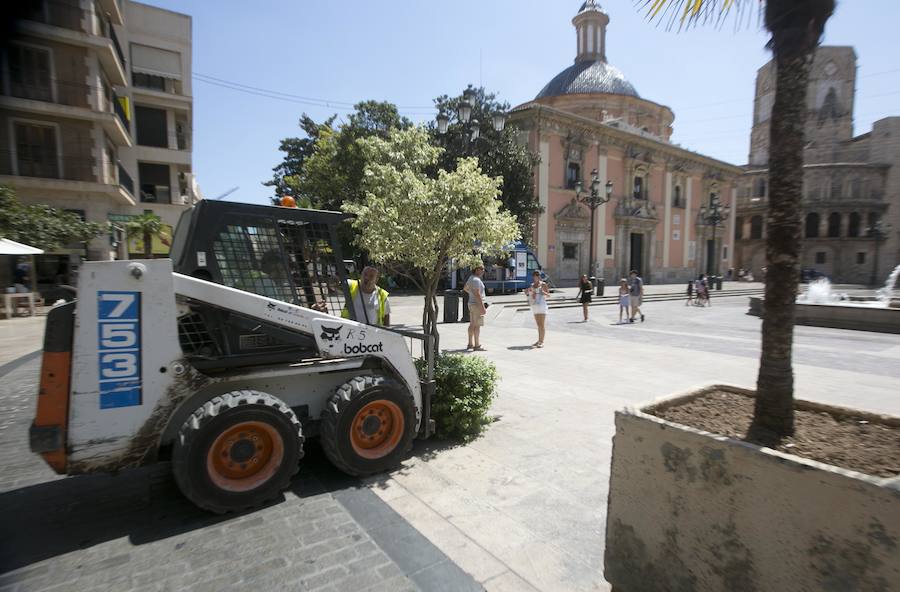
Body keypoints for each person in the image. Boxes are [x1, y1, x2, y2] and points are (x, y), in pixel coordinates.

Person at [464, 266, 487, 351]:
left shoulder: (471, 278)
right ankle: (477, 345)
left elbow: (465, 288)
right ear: (477, 270)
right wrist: (482, 307)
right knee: (477, 325)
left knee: (472, 324)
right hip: (477, 304)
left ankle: (470, 343)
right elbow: (477, 294)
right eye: (482, 269)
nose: (483, 271)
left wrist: (471, 293)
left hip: (471, 303)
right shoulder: (476, 280)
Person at [525, 270, 549, 347]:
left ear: (539, 276)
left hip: (542, 305)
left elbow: (548, 295)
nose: (536, 277)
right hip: (535, 305)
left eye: (537, 275)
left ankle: (541, 342)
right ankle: (539, 340)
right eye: (535, 276)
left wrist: (543, 292)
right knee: (538, 324)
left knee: (541, 324)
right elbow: (529, 294)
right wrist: (528, 292)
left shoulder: (543, 284)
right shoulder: (532, 285)